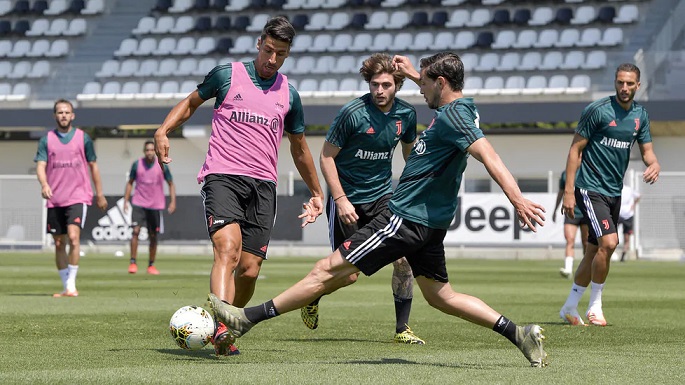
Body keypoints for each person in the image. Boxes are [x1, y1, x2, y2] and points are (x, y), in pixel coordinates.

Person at [207, 52, 549, 367]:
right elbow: (440, 98)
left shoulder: (456, 116)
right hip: (430, 222)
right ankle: (519, 333)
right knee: (441, 296)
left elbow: (488, 154)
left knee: (326, 270)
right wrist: (416, 74)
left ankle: (245, 319)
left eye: (426, 83)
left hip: (405, 218)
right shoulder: (458, 109)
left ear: (441, 84)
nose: (420, 90)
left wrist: (516, 199)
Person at [153, 16, 324, 356]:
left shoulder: (289, 94)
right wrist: (163, 130)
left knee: (249, 270)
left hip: (264, 186)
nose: (272, 59)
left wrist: (318, 193)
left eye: (281, 54)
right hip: (223, 176)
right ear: (259, 43)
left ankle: (227, 322)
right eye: (269, 50)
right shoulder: (227, 75)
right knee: (227, 249)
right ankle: (219, 325)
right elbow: (190, 103)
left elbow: (300, 147)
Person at [300, 53, 423, 344]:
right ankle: (312, 295)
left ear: (397, 85)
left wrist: (417, 185)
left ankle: (402, 329)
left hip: (383, 197)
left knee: (403, 260)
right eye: (374, 85)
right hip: (348, 200)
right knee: (348, 275)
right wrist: (340, 199)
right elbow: (326, 157)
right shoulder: (352, 113)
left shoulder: (406, 115)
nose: (379, 91)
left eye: (386, 85)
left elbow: (409, 155)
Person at [559, 63, 660, 327]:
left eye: (629, 84)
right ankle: (595, 307)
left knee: (594, 250)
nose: (624, 88)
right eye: (620, 83)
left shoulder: (641, 115)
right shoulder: (597, 110)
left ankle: (570, 307)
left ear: (638, 86)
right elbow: (574, 151)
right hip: (590, 187)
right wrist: (569, 191)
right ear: (615, 83)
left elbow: (647, 151)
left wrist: (654, 164)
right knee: (610, 243)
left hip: (614, 191)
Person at [34, 99, 108, 298]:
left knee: (74, 238)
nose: (64, 115)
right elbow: (40, 165)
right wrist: (44, 184)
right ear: (55, 116)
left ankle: (71, 285)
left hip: (78, 196)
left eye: (67, 112)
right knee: (59, 243)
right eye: (60, 112)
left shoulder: (84, 139)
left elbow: (93, 166)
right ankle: (66, 285)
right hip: (55, 198)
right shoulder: (46, 140)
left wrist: (99, 194)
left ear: (73, 115)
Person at [123, 140, 176, 275]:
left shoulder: (162, 165)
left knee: (153, 236)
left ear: (156, 151)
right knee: (135, 232)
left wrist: (173, 201)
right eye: (147, 150)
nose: (150, 152)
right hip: (139, 203)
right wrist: (125, 200)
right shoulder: (137, 164)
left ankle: (151, 265)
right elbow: (130, 183)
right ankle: (133, 262)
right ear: (144, 151)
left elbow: (170, 183)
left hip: (155, 205)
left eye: (152, 150)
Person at [552, 170, 589, 278]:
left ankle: (587, 268)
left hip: (586, 212)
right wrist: (555, 209)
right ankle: (568, 269)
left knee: (586, 243)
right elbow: (561, 192)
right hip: (570, 212)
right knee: (569, 240)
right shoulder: (565, 174)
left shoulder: (588, 170)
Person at [618, 184, 640, 262]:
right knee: (610, 234)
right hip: (617, 214)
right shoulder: (616, 188)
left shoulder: (629, 189)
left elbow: (638, 196)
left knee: (627, 237)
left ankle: (623, 256)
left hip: (628, 215)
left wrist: (633, 205)